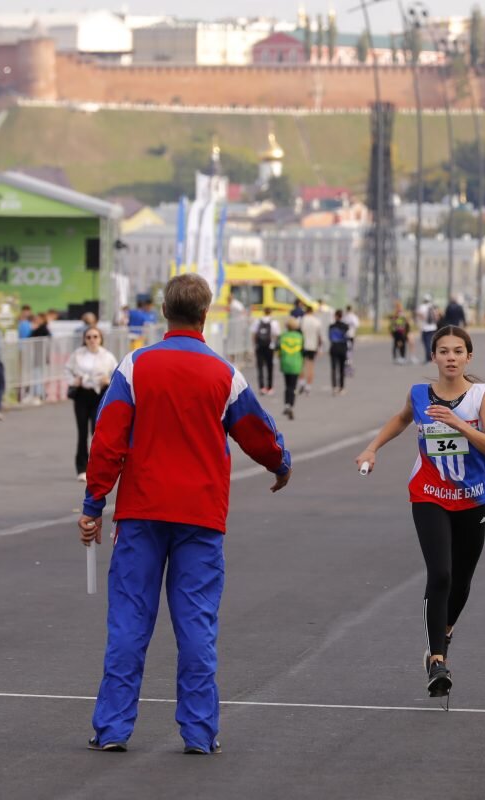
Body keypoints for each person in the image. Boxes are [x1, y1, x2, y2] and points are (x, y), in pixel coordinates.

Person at [79, 273, 291, 755]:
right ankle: (199, 732)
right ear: (206, 313)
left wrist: (94, 504)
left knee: (130, 620)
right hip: (201, 514)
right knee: (196, 623)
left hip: (141, 512)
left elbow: (107, 440)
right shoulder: (223, 373)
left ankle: (112, 728)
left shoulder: (135, 366)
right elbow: (257, 430)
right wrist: (280, 464)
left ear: (162, 311)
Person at [354, 325, 485, 698]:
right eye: (443, 351)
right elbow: (402, 418)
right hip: (429, 494)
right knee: (440, 573)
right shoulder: (420, 394)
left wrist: (459, 425)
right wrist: (373, 448)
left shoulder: (481, 396)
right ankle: (437, 660)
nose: (450, 357)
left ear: (469, 357)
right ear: (433, 356)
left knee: (462, 580)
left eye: (458, 351)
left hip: (472, 497)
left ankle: (446, 632)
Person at [64, 326, 118, 482]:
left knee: (96, 431)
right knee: (82, 432)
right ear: (84, 339)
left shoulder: (107, 356)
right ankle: (81, 468)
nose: (92, 340)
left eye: (95, 337)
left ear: (100, 338)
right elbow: (67, 370)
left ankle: (97, 466)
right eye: (88, 337)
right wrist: (74, 381)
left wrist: (108, 380)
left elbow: (116, 373)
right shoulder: (78, 355)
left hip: (99, 395)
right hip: (82, 394)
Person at [278, 317, 304, 419]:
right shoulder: (299, 336)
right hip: (296, 363)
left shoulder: (283, 336)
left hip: (285, 362)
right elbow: (303, 350)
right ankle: (291, 405)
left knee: (287, 385)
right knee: (293, 386)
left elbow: (278, 349)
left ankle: (286, 404)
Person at [252, 308, 278, 396]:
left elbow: (254, 334)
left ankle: (261, 387)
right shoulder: (274, 322)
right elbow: (276, 334)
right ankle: (270, 387)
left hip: (259, 346)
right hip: (269, 347)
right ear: (271, 312)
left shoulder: (258, 321)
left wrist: (255, 345)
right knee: (269, 367)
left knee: (260, 367)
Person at [298, 305, 323, 395]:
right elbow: (319, 336)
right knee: (310, 367)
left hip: (302, 345)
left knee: (301, 365)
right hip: (313, 346)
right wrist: (320, 348)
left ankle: (302, 382)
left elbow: (299, 332)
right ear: (312, 311)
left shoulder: (302, 320)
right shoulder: (316, 321)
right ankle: (308, 387)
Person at [328, 309, 349, 396]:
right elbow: (348, 337)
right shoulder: (345, 326)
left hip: (334, 348)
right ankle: (342, 387)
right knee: (341, 368)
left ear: (335, 316)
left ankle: (334, 387)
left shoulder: (331, 326)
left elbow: (330, 337)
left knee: (333, 368)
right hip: (343, 348)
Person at [417, 293, 439, 363]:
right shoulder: (433, 306)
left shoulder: (422, 307)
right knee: (431, 342)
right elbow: (437, 316)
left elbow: (420, 316)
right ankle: (431, 357)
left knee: (426, 342)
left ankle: (428, 357)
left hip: (425, 328)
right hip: (433, 327)